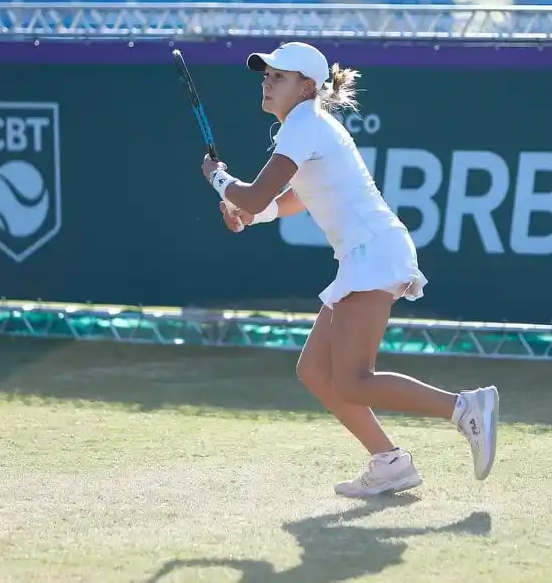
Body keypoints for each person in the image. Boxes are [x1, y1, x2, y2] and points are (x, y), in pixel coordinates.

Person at [201, 41, 499, 498]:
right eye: (266, 75)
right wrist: (250, 214)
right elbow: (296, 198)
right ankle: (390, 462)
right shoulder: (307, 125)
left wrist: (218, 178)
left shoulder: (303, 124)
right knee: (315, 371)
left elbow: (256, 194)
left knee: (354, 380)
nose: (267, 82)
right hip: (365, 254)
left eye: (279, 76)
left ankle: (464, 408)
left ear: (307, 86)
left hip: (373, 252)